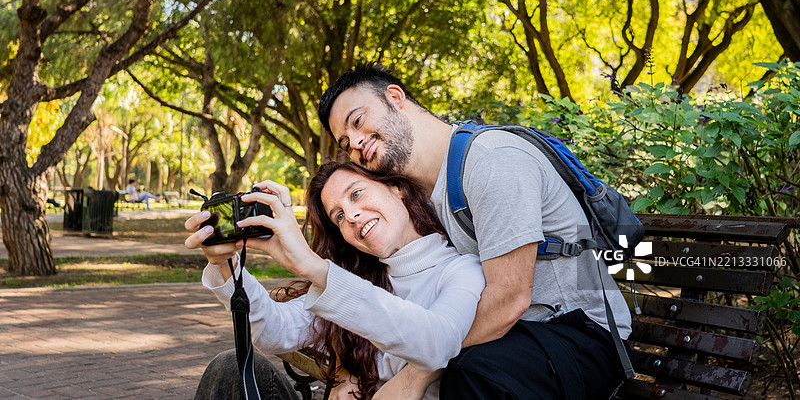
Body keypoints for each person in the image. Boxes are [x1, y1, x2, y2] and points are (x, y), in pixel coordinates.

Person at [317, 62, 633, 399]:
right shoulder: (416, 191)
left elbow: (509, 299)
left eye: (358, 121)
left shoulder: (491, 160)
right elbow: (383, 288)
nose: (357, 143)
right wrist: (347, 368)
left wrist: (416, 374)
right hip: (517, 337)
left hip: (582, 337)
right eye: (346, 142)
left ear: (395, 97)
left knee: (468, 371)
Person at [185, 162, 485, 399]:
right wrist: (225, 264)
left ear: (397, 190)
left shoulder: (461, 270)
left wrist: (315, 268)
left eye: (356, 194)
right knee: (230, 367)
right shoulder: (356, 279)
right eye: (338, 216)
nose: (351, 215)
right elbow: (273, 331)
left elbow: (438, 342)